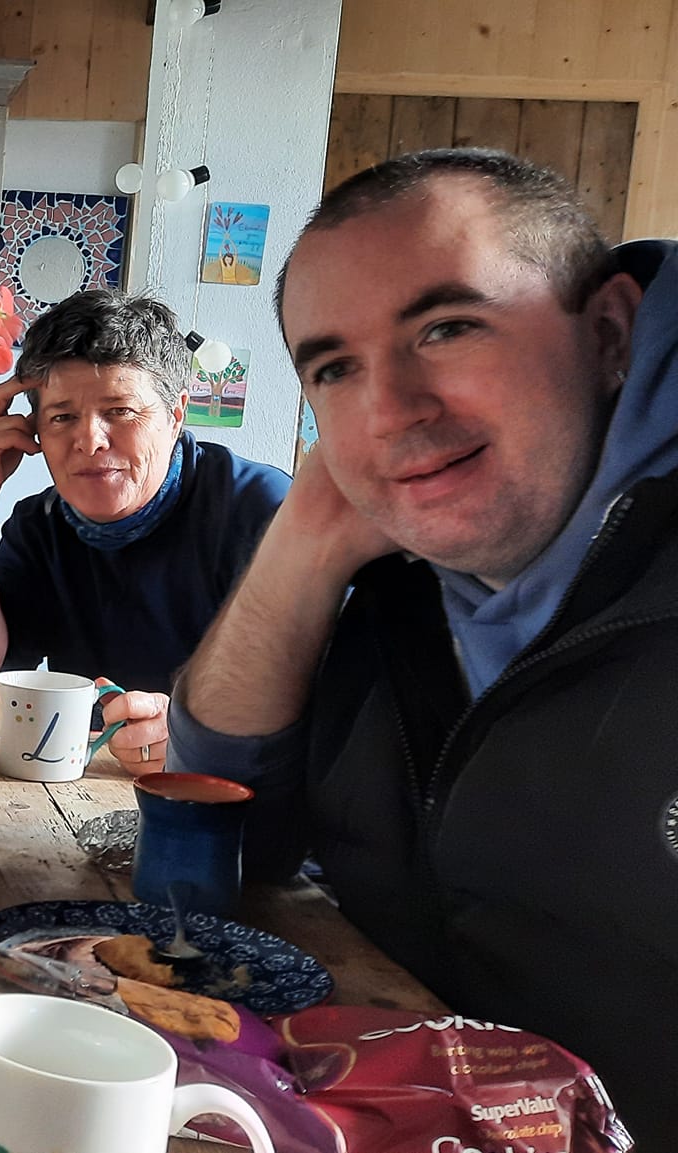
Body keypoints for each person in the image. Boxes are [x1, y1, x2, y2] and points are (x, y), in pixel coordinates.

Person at [170, 148, 678, 1144]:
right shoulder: (399, 578)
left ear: (609, 333)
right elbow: (224, 820)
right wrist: (301, 549)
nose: (388, 410)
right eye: (333, 369)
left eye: (445, 327)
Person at [0, 290, 289, 772]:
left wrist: (192, 731)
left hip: (228, 798)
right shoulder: (40, 526)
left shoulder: (259, 508)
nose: (90, 440)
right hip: (82, 790)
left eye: (120, 410)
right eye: (62, 417)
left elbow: (325, 701)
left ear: (176, 415)